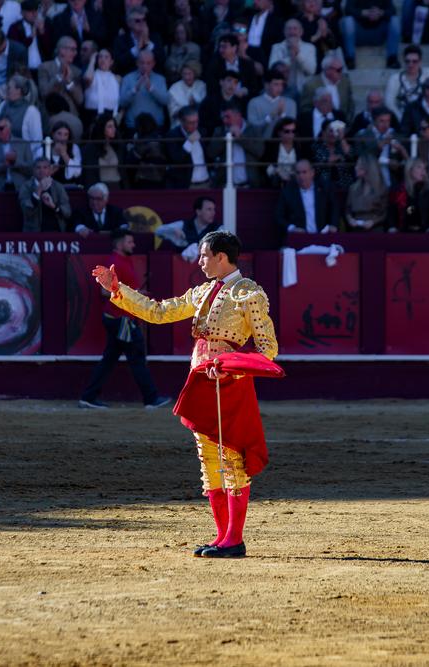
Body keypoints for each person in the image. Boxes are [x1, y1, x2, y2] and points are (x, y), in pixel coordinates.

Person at [91, 229, 279, 558]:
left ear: (222, 257)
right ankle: (223, 537)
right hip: (201, 380)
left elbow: (268, 349)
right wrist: (117, 291)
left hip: (230, 383)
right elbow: (159, 311)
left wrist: (232, 367)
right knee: (210, 463)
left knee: (231, 460)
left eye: (205, 255)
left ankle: (235, 539)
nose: (200, 261)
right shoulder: (203, 291)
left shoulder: (248, 292)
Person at [79, 230, 172, 409]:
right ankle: (151, 398)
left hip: (120, 318)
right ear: (120, 243)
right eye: (130, 242)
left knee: (110, 359)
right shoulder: (114, 262)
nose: (133, 245)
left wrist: (137, 294)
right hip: (122, 320)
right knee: (136, 356)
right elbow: (104, 291)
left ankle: (88, 397)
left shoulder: (122, 261)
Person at [275, 159, 339, 240]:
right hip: (299, 238)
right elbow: (279, 216)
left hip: (323, 236)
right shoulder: (288, 192)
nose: (301, 176)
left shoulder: (324, 188)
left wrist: (333, 225)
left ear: (312, 173)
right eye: (298, 173)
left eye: (304, 172)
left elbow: (334, 208)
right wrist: (292, 228)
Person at [340, 0, 401, 70]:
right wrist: (364, 13)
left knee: (395, 20)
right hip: (359, 35)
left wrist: (380, 13)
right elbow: (348, 9)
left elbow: (393, 10)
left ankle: (392, 58)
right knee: (348, 20)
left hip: (378, 34)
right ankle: (350, 59)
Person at [156, 196, 222, 259]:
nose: (213, 213)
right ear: (198, 211)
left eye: (214, 209)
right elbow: (158, 231)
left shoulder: (218, 229)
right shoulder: (183, 225)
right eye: (209, 209)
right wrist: (173, 230)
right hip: (181, 266)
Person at [19, 157, 72, 231]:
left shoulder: (58, 186)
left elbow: (67, 212)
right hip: (34, 233)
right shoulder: (26, 186)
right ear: (33, 170)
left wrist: (54, 206)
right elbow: (27, 212)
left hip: (56, 231)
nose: (42, 170)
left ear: (50, 170)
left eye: (45, 167)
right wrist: (39, 190)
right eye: (38, 168)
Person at [0, 114, 32, 191]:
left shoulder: (23, 144)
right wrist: (2, 166)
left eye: (1, 128)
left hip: (19, 189)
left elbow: (31, 171)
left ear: (9, 128)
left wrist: (15, 162)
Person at [389, 157, 429, 233]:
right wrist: (392, 227)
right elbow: (392, 211)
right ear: (410, 170)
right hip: (403, 231)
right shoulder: (399, 189)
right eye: (419, 167)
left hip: (425, 231)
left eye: (424, 168)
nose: (423, 171)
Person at [383, 44, 429, 120]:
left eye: (414, 61)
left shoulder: (428, 74)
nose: (411, 64)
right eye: (407, 61)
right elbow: (389, 103)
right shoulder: (395, 79)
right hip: (402, 118)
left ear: (420, 62)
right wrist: (401, 119)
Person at [345, 154, 388, 231]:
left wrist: (374, 222)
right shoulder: (353, 188)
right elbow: (348, 210)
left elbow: (385, 212)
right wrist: (350, 219)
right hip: (356, 227)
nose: (355, 168)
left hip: (375, 228)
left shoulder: (381, 188)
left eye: (358, 165)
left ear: (367, 168)